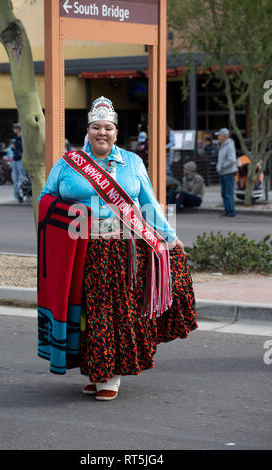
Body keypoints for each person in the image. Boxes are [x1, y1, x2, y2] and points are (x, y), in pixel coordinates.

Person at [37, 96, 197, 401]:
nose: (102, 133)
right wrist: (71, 216)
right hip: (82, 251)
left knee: (117, 311)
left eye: (107, 128)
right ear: (87, 131)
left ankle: (111, 374)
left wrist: (169, 235)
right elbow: (46, 198)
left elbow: (148, 202)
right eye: (96, 127)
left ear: (115, 131)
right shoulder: (68, 164)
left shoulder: (132, 163)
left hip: (124, 249)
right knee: (88, 311)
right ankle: (96, 370)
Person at [215, 128, 237, 217]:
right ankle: (227, 210)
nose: (218, 137)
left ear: (224, 136)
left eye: (219, 135)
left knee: (228, 193)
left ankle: (231, 211)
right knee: (224, 193)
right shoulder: (222, 145)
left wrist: (222, 166)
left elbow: (232, 160)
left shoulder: (229, 145)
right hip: (223, 173)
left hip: (229, 173)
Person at [12, 123, 27, 200]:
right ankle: (16, 195)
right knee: (15, 178)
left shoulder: (22, 138)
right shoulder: (15, 138)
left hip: (20, 159)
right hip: (15, 159)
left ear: (18, 129)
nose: (14, 129)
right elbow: (14, 148)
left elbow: (24, 149)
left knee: (22, 178)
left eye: (15, 128)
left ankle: (24, 194)